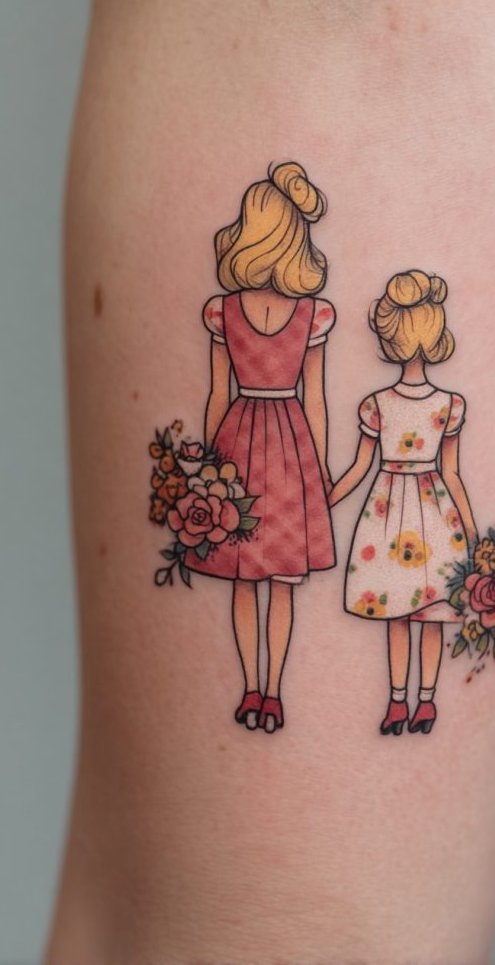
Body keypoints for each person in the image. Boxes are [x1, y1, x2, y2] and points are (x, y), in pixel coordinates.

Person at [47, 0, 495, 962]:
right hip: (268, 447)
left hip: (282, 449)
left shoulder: (322, 325)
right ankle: (268, 690)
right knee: (261, 924)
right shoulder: (255, 317)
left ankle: (289, 690)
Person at [193, 162, 336, 732]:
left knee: (248, 579)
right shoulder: (308, 314)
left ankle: (258, 690)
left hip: (241, 441)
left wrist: (208, 469)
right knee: (276, 583)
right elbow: (315, 401)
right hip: (290, 445)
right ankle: (269, 691)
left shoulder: (227, 311)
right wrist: (320, 469)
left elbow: (217, 396)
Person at [330, 270, 477, 734]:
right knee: (409, 613)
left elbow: (363, 469)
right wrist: (322, 502)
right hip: (411, 511)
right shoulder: (393, 404)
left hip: (403, 510)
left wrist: (472, 530)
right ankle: (408, 702)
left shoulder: (438, 405)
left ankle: (415, 701)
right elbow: (362, 468)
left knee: (419, 615)